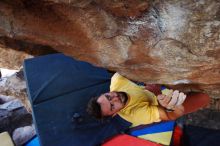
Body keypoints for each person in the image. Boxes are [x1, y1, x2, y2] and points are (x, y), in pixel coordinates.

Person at [87, 73, 210, 127]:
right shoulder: (135, 114)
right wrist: (158, 94)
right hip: (168, 104)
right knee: (205, 97)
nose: (115, 98)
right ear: (114, 114)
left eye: (109, 97)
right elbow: (170, 116)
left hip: (162, 83)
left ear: (105, 92)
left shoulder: (117, 80)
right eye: (112, 106)